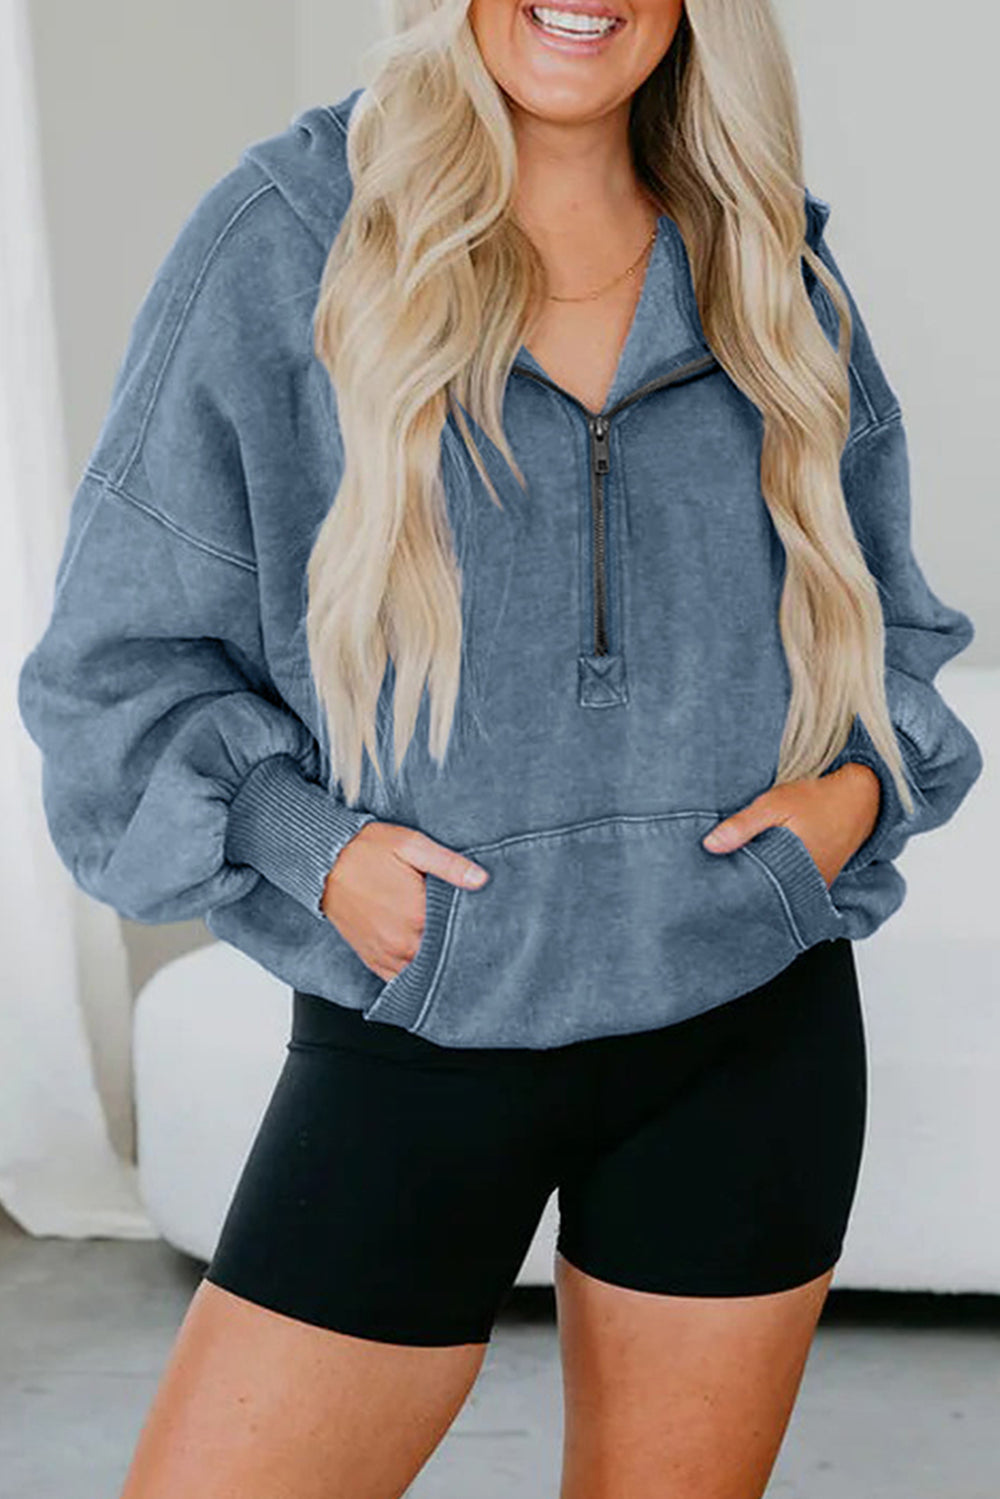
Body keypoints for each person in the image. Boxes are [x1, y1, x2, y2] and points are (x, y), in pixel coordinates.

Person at [17, 1, 983, 1495]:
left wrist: (853, 797)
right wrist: (316, 852)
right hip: (421, 1034)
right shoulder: (290, 238)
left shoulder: (762, 254)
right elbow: (114, 666)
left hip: (748, 1030)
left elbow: (887, 624)